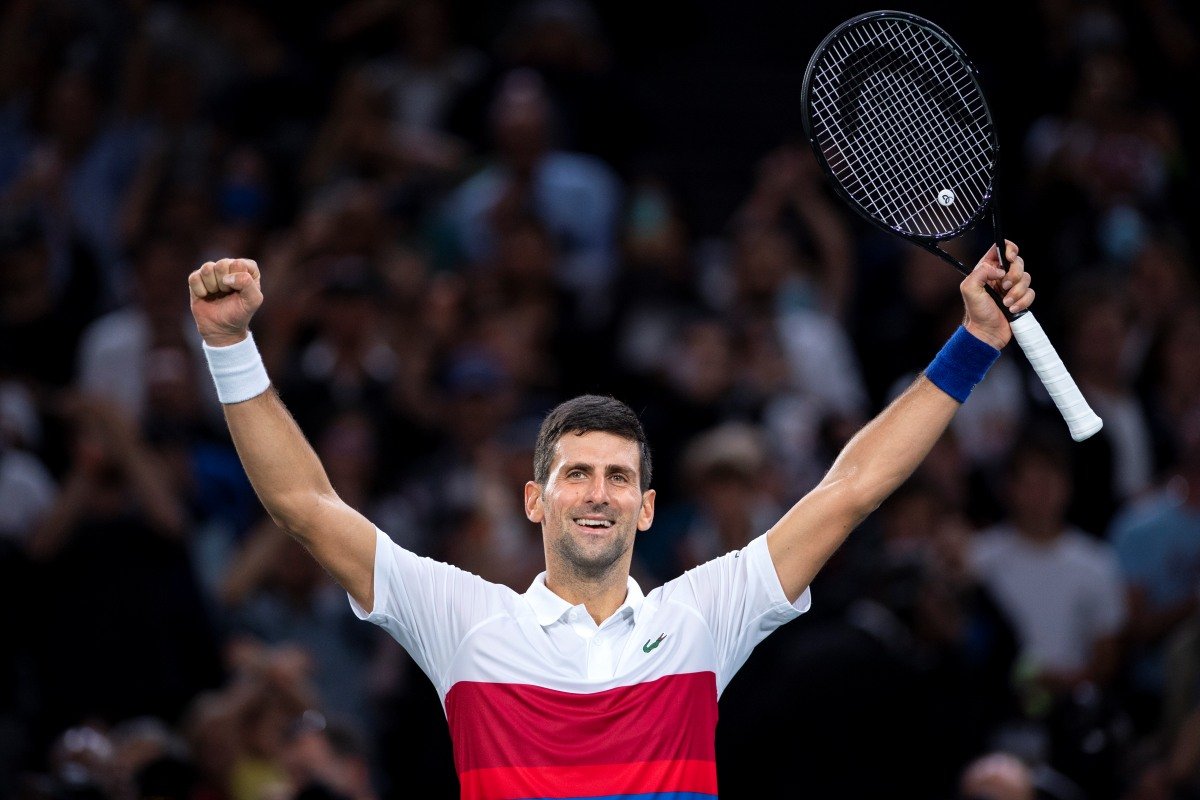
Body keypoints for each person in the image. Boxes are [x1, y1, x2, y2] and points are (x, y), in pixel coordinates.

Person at [187, 241, 1035, 798]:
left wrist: (973, 340)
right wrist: (230, 347)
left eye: (619, 477)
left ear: (648, 506)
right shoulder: (467, 622)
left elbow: (850, 489)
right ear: (535, 499)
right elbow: (306, 507)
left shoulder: (702, 614)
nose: (598, 492)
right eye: (577, 474)